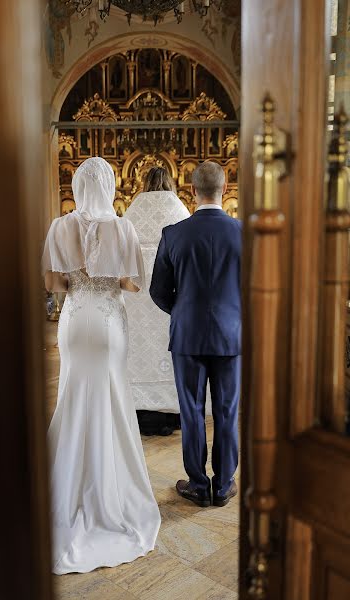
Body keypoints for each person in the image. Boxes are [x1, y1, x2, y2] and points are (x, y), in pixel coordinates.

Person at [42, 157, 161, 574]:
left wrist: (79, 281)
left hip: (75, 321)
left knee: (72, 396)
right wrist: (112, 279)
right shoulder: (123, 227)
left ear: (77, 185)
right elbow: (133, 283)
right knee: (110, 397)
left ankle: (65, 486)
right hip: (109, 324)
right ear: (109, 186)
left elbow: (54, 284)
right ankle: (109, 492)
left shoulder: (59, 227)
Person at [149, 161, 242, 508]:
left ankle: (199, 485)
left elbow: (158, 290)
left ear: (191, 190)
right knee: (227, 410)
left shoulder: (174, 233)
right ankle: (224, 485)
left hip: (187, 335)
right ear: (226, 186)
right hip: (231, 337)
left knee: (190, 410)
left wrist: (184, 312)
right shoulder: (243, 232)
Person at [124, 167, 190, 436]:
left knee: (138, 351)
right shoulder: (179, 210)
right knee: (166, 351)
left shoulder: (133, 211)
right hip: (169, 292)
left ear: (144, 183)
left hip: (137, 294)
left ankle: (141, 412)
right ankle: (172, 416)